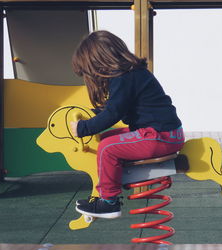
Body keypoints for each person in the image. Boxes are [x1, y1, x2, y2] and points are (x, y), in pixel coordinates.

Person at [70, 30, 184, 219]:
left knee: (108, 148)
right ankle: (112, 178)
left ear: (100, 62)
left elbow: (114, 113)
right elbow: (116, 106)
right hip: (164, 133)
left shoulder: (124, 77)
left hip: (161, 136)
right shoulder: (130, 74)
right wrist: (92, 116)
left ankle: (109, 202)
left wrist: (84, 128)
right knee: (106, 138)